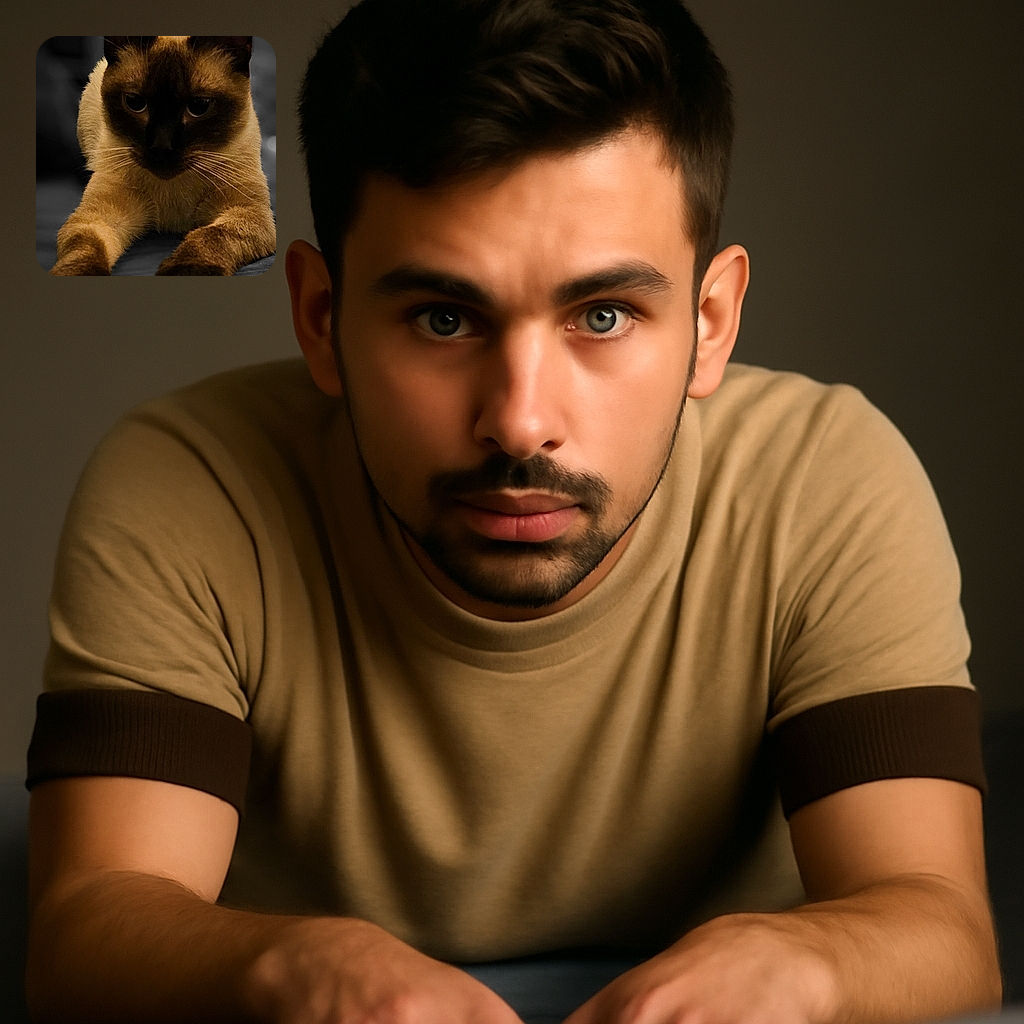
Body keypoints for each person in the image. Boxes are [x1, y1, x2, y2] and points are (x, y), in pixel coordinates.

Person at [24, 0, 1001, 1021]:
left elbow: (942, 924)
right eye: (444, 318)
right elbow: (88, 924)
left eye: (605, 315)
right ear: (321, 317)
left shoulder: (824, 482)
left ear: (710, 325)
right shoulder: (187, 485)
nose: (520, 422)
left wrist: (802, 968)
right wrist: (295, 972)